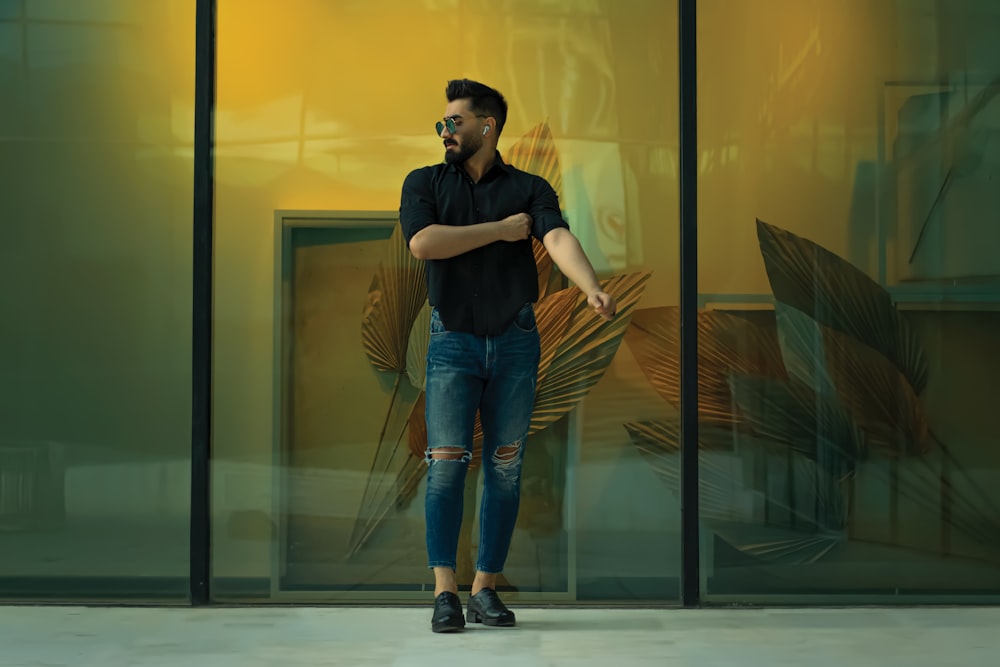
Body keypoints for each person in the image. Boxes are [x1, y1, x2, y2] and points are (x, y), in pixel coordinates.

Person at [398, 78, 616, 633]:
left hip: (517, 340)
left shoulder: (529, 187)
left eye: (456, 122)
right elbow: (424, 242)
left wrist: (590, 287)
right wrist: (499, 231)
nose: (445, 131)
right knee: (446, 465)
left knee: (505, 467)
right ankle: (445, 592)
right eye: (442, 123)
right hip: (452, 342)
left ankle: (485, 590)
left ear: (487, 126)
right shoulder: (424, 182)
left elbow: (557, 237)